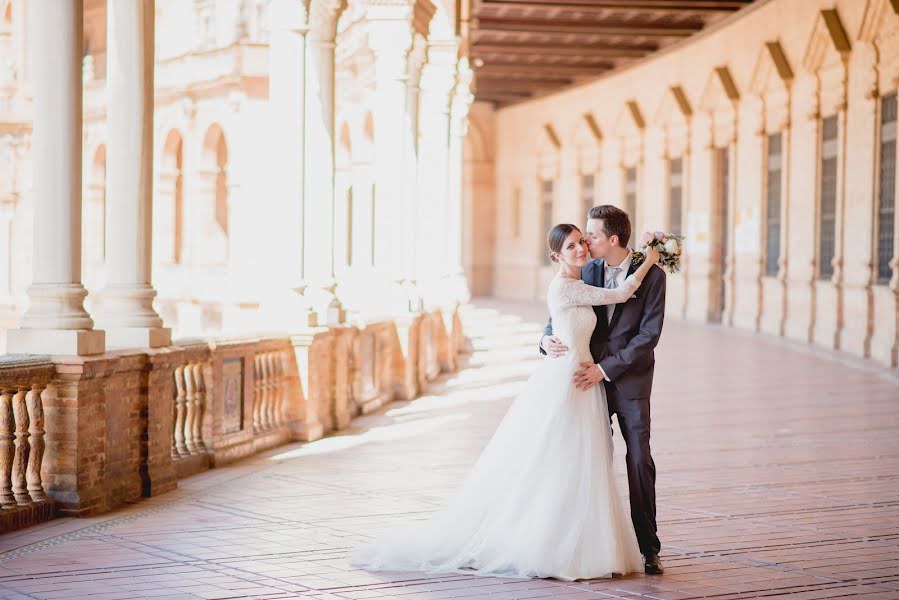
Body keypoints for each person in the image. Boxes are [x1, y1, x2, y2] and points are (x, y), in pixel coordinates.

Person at [350, 222, 661, 581]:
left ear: (611, 238)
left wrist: (578, 351)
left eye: (585, 239)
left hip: (602, 378)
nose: (583, 246)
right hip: (571, 380)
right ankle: (550, 542)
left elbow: (637, 331)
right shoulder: (572, 280)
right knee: (559, 459)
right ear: (556, 255)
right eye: (575, 243)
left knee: (600, 460)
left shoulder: (586, 275)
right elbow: (575, 313)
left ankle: (625, 545)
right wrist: (652, 257)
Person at [541, 205, 667, 575]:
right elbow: (557, 316)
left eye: (591, 235)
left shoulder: (654, 276)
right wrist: (545, 341)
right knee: (587, 458)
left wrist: (606, 369)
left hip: (628, 380)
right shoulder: (587, 268)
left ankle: (648, 548)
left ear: (612, 238)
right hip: (583, 381)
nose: (585, 242)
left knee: (638, 459)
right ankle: (581, 542)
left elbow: (648, 336)